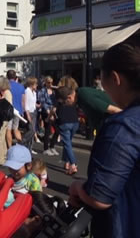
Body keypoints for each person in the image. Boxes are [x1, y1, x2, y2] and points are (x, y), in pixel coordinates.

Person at [68, 39, 140, 237]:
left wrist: (78, 186)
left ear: (115, 78)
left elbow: (100, 196)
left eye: (102, 78)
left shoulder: (124, 127)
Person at [55, 86, 79, 175]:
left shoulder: (60, 101)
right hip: (75, 122)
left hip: (64, 123)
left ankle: (73, 164)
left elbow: (53, 111)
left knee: (67, 144)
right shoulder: (71, 100)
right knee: (68, 142)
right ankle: (67, 162)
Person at [39, 76, 58, 156]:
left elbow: (55, 102)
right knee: (48, 129)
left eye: (51, 82)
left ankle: (52, 146)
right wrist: (48, 113)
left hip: (53, 110)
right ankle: (46, 148)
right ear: (45, 82)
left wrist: (53, 112)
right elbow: (42, 102)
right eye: (49, 82)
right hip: (46, 111)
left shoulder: (53, 91)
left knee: (58, 129)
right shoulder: (43, 91)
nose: (50, 84)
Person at [0, 76, 12, 165]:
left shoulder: (6, 92)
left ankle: (0, 159)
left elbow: (8, 105)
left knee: (0, 137)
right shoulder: (3, 92)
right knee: (2, 137)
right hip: (2, 118)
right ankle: (3, 156)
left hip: (3, 118)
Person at [6, 70, 24, 148]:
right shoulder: (21, 86)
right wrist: (22, 111)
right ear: (15, 77)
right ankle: (20, 146)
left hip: (8, 110)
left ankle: (10, 148)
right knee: (16, 128)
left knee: (8, 129)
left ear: (7, 76)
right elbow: (23, 100)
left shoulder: (6, 86)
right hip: (18, 110)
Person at [24, 77, 39, 154]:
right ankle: (22, 143)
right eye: (35, 84)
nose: (37, 85)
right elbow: (26, 104)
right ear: (31, 84)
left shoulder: (34, 93)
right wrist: (28, 115)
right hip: (29, 113)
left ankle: (29, 148)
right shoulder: (27, 91)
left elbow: (33, 103)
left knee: (33, 132)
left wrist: (38, 105)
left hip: (34, 112)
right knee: (31, 130)